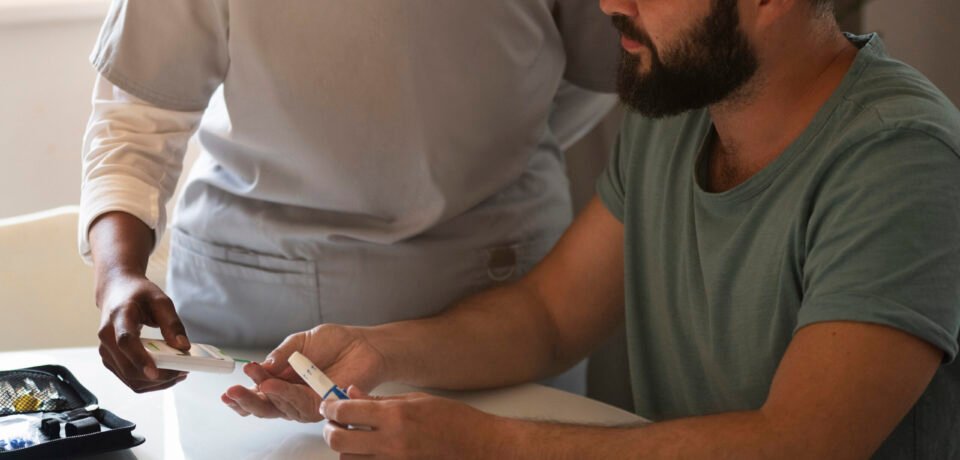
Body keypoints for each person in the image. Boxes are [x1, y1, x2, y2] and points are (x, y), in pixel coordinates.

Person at [222, 0, 960, 458]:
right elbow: (548, 317)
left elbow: (799, 446)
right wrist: (373, 350)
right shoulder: (679, 111)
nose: (611, 4)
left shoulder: (901, 159)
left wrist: (481, 446)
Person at [80, 1, 619, 394]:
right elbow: (136, 119)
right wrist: (117, 273)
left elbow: (611, 69)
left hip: (493, 315)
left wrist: (480, 145)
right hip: (247, 314)